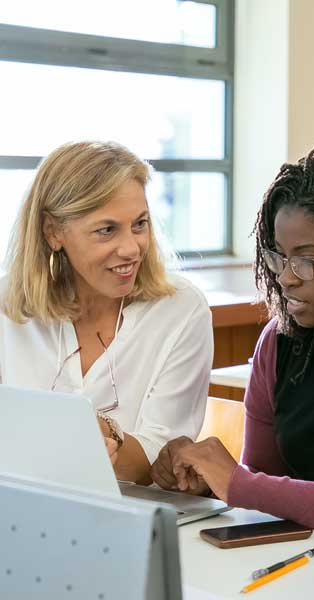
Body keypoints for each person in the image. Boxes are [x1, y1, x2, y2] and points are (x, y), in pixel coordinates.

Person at [151, 143, 314, 537]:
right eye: (277, 256)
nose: (286, 277)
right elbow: (267, 482)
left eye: (307, 259)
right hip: (311, 565)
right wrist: (214, 483)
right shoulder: (280, 343)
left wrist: (243, 486)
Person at [0, 140, 213, 484]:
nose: (131, 248)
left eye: (140, 224)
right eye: (106, 230)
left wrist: (106, 439)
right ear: (53, 231)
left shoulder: (181, 311)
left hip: (132, 514)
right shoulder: (7, 305)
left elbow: (161, 462)